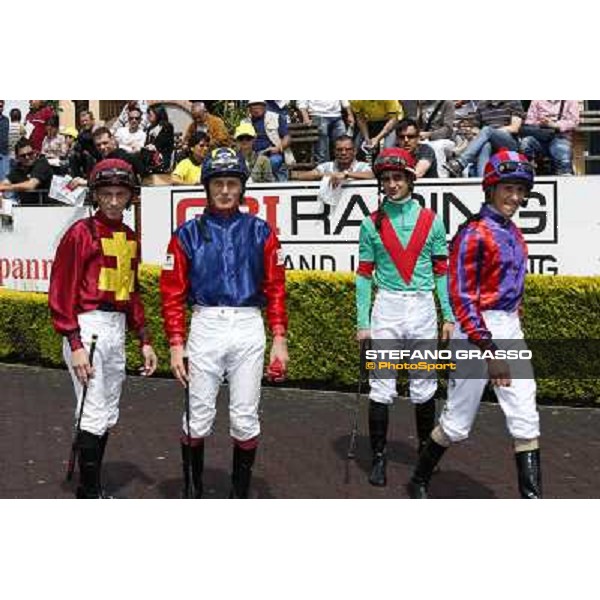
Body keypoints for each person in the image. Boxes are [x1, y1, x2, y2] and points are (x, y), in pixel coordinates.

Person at [407, 150, 542, 499]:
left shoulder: (514, 233)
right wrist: (489, 349)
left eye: (520, 189)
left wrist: (511, 330)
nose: (515, 197)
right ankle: (418, 479)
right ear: (491, 187)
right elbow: (462, 298)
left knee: (526, 415)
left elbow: (515, 290)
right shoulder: (472, 233)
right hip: (475, 334)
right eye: (508, 188)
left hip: (508, 329)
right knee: (456, 424)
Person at [160, 147, 289, 499]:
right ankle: (193, 492)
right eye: (219, 183)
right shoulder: (186, 234)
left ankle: (239, 496)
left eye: (233, 183)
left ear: (243, 187)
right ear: (207, 187)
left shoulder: (261, 231)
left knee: (245, 419)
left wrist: (279, 337)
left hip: (249, 325)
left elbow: (276, 287)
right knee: (198, 417)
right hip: (205, 325)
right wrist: (175, 344)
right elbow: (172, 293)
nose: (226, 191)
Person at [48, 158, 158, 498]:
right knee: (94, 411)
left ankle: (90, 484)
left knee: (107, 412)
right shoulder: (80, 234)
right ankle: (89, 491)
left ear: (130, 196)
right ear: (96, 195)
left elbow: (133, 292)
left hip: (116, 327)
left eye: (120, 193)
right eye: (106, 193)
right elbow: (61, 290)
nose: (113, 200)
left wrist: (144, 339)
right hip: (88, 328)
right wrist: (75, 342)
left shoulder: (130, 237)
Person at [355, 147, 454, 487]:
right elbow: (364, 275)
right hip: (387, 308)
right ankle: (379, 457)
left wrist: (448, 315)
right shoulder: (370, 224)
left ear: (410, 179)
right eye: (386, 179)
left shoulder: (431, 220)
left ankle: (426, 454)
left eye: (398, 177)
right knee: (381, 386)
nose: (392, 184)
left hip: (423, 306)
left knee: (424, 385)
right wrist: (363, 323)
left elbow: (442, 271)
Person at [445, 101, 524, 177]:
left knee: (486, 130)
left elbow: (514, 128)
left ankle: (461, 162)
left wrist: (491, 132)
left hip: (510, 143)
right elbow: (475, 128)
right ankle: (482, 180)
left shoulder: (513, 101)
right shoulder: (482, 104)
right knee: (485, 145)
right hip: (487, 141)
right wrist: (478, 133)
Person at [519, 100, 580, 175]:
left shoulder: (570, 101)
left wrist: (555, 125)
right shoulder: (536, 101)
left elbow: (574, 122)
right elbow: (529, 122)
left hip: (560, 137)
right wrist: (542, 123)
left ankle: (565, 175)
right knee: (526, 142)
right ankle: (527, 171)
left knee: (561, 148)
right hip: (540, 137)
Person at [292, 134, 373, 185]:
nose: (343, 153)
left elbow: (372, 175)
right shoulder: (327, 166)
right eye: (339, 149)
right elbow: (302, 176)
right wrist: (330, 176)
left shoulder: (362, 166)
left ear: (354, 151)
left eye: (348, 149)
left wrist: (346, 174)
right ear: (334, 152)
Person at [248, 100, 293, 182]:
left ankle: (266, 183)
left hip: (272, 153)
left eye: (258, 105)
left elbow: (287, 137)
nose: (255, 108)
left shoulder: (275, 117)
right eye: (253, 106)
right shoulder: (246, 122)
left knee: (275, 161)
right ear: (249, 109)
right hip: (253, 155)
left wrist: (278, 148)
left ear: (265, 107)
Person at [0, 137, 54, 204]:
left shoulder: (42, 163)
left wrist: (7, 187)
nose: (27, 157)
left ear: (34, 152)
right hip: (24, 208)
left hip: (45, 208)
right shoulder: (18, 169)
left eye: (30, 154)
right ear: (17, 158)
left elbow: (30, 185)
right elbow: (4, 183)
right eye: (23, 156)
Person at [415, 100, 456, 178]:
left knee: (437, 147)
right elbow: (418, 126)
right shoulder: (422, 104)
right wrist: (418, 112)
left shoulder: (447, 103)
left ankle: (441, 178)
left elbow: (448, 129)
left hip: (445, 140)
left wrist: (430, 135)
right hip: (425, 139)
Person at [143, 104, 174, 174]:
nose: (148, 117)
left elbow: (161, 145)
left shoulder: (166, 127)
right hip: (149, 156)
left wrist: (152, 146)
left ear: (158, 114)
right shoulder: (149, 128)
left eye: (150, 115)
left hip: (161, 158)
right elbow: (146, 144)